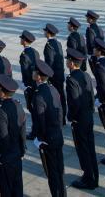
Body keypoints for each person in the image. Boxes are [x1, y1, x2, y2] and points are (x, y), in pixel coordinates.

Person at [29, 58, 66, 197]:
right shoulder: (53, 89)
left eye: (34, 71)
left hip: (48, 140)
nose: (32, 73)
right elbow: (60, 111)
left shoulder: (38, 95)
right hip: (57, 134)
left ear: (39, 77)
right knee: (59, 170)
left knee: (52, 173)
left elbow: (40, 120)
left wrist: (40, 138)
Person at [65, 48, 98, 190]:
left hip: (79, 119)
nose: (66, 62)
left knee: (83, 149)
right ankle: (93, 176)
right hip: (88, 116)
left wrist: (71, 117)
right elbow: (91, 96)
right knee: (90, 147)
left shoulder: (71, 79)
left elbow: (74, 102)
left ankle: (89, 179)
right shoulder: (86, 75)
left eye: (68, 60)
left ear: (72, 63)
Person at [0, 74, 26, 197]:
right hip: (17, 154)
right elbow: (22, 131)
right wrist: (22, 150)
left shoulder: (0, 111)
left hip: (5, 158)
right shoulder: (18, 105)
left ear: (1, 92)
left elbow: (3, 137)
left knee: (5, 191)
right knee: (17, 189)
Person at [43, 23, 67, 122]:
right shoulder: (58, 43)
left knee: (55, 97)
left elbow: (49, 62)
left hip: (54, 76)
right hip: (60, 74)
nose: (44, 33)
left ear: (48, 33)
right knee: (61, 95)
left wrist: (47, 76)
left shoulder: (49, 45)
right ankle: (63, 117)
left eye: (45, 31)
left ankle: (59, 118)